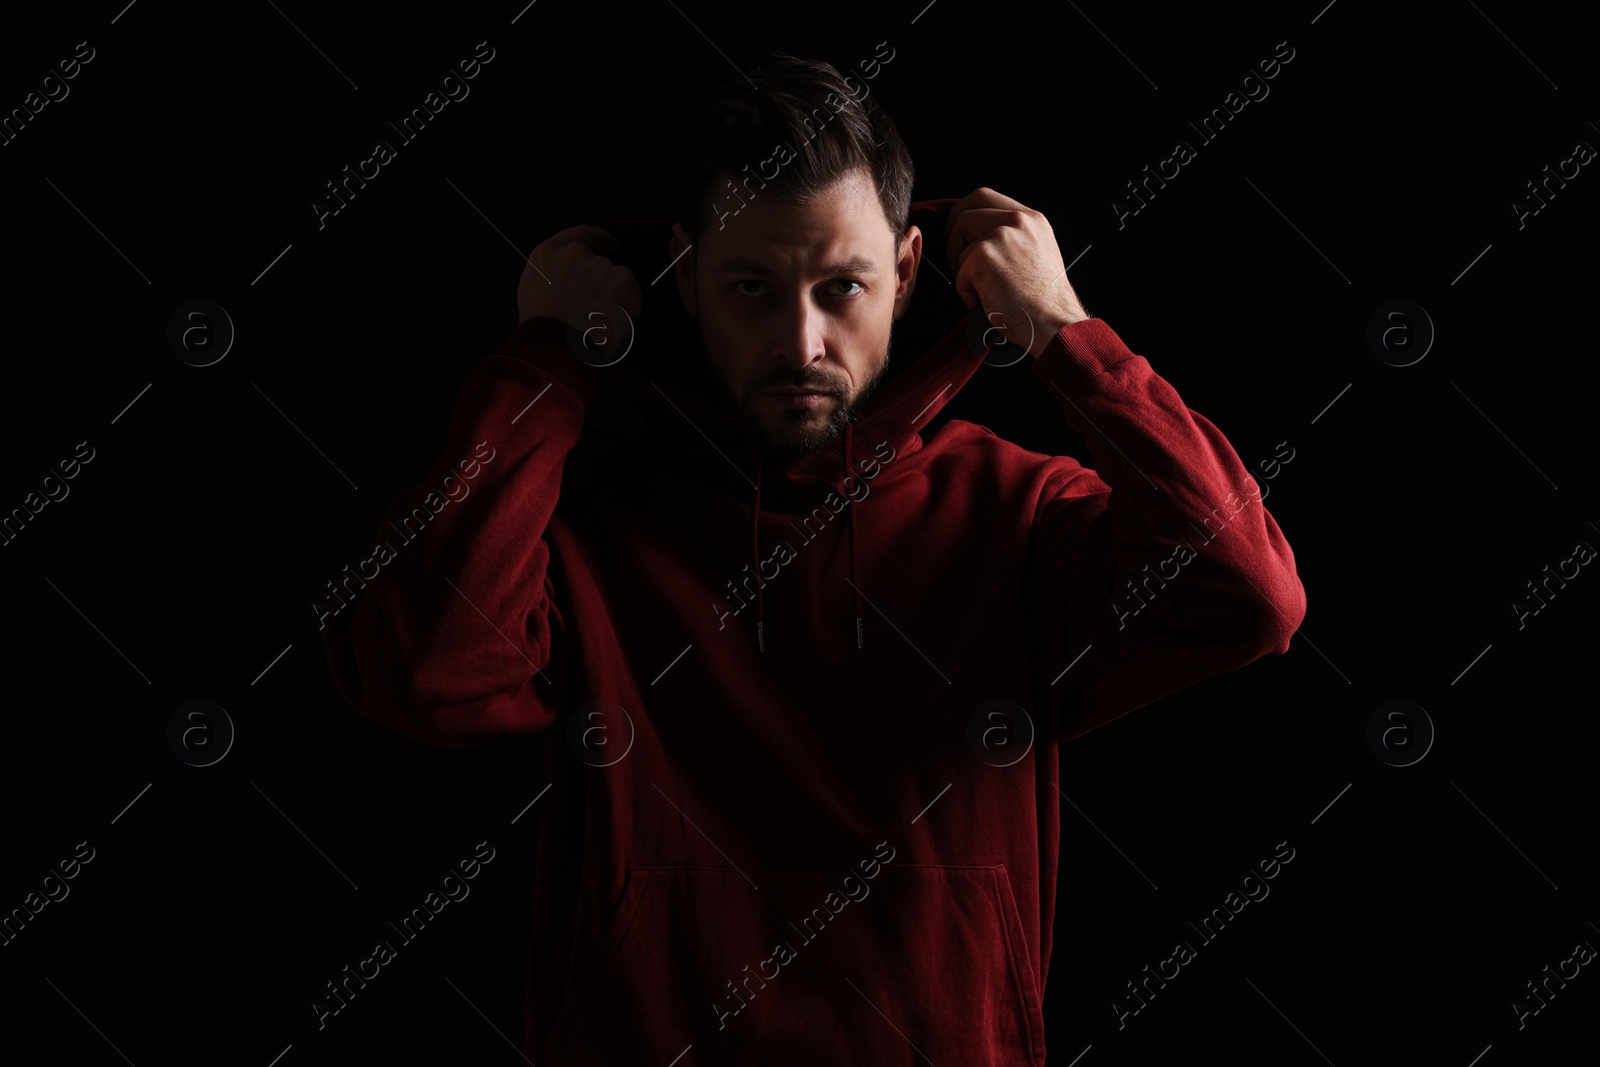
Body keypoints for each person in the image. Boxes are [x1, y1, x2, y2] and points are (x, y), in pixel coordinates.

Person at [321, 53, 1307, 1066]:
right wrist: (544, 357)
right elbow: (423, 672)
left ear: (910, 270)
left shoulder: (1017, 512)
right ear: (689, 279)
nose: (801, 341)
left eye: (842, 286)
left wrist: (1062, 329)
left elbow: (1247, 598)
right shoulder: (578, 511)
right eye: (752, 285)